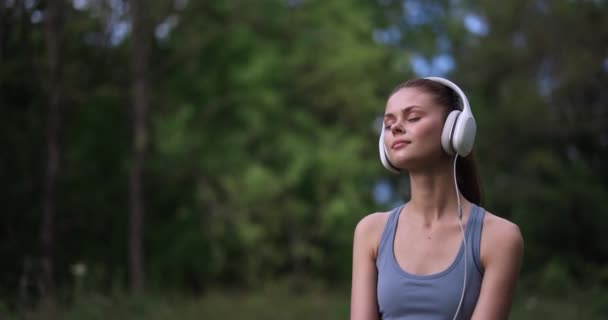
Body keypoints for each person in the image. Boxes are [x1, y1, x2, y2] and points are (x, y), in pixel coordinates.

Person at [350, 77, 524, 320]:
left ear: (455, 130)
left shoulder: (500, 237)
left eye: (413, 118)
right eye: (389, 124)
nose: (396, 128)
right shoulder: (370, 231)